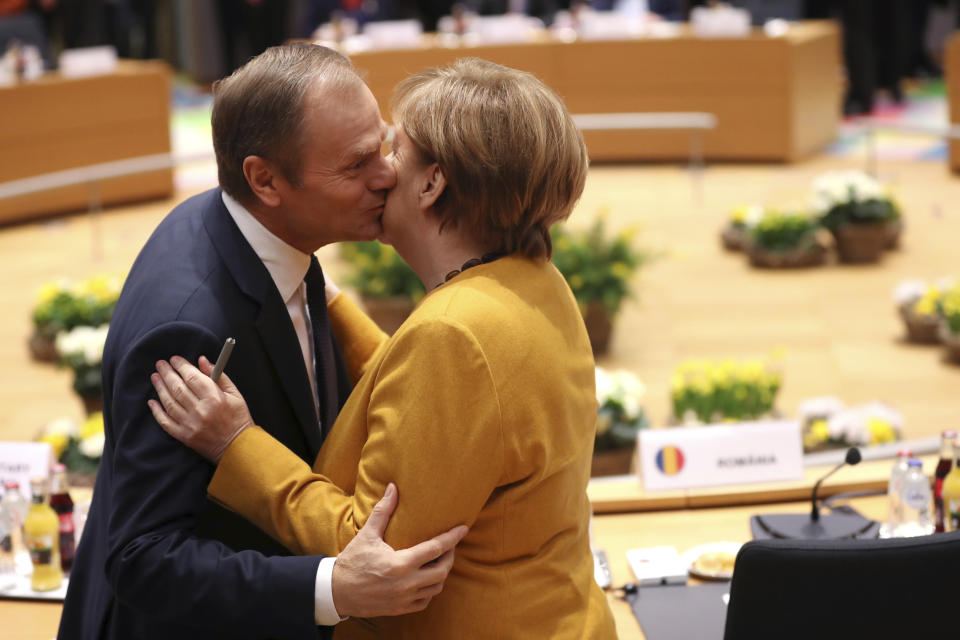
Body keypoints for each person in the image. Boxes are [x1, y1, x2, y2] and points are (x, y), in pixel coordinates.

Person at [149, 57, 618, 638]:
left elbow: (372, 557)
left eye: (393, 150)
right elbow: (439, 419)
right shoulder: (536, 280)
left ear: (432, 182)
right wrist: (333, 304)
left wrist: (237, 445)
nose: (379, 172)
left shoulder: (453, 337)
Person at [59, 44, 467, 640]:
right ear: (265, 179)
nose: (386, 175)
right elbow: (143, 558)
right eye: (355, 166)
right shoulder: (188, 327)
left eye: (381, 145)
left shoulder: (262, 231)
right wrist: (332, 587)